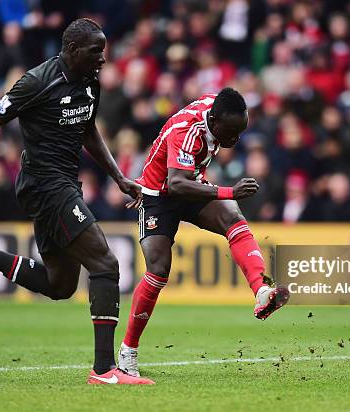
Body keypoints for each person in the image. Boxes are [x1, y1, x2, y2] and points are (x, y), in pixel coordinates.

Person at [0, 18, 153, 385]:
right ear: (73, 50)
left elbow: (89, 131)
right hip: (44, 184)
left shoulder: (90, 81)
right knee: (106, 264)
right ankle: (104, 370)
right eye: (97, 51)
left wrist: (119, 178)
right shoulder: (37, 81)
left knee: (59, 285)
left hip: (63, 183)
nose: (103, 58)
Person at [117, 87, 290, 377]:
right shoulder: (187, 131)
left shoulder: (218, 107)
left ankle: (261, 290)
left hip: (191, 183)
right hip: (159, 194)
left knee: (233, 219)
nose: (236, 139)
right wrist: (228, 191)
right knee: (159, 269)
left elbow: (188, 178)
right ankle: (127, 352)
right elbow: (175, 184)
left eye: (241, 131)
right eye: (232, 133)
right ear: (215, 121)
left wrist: (222, 195)